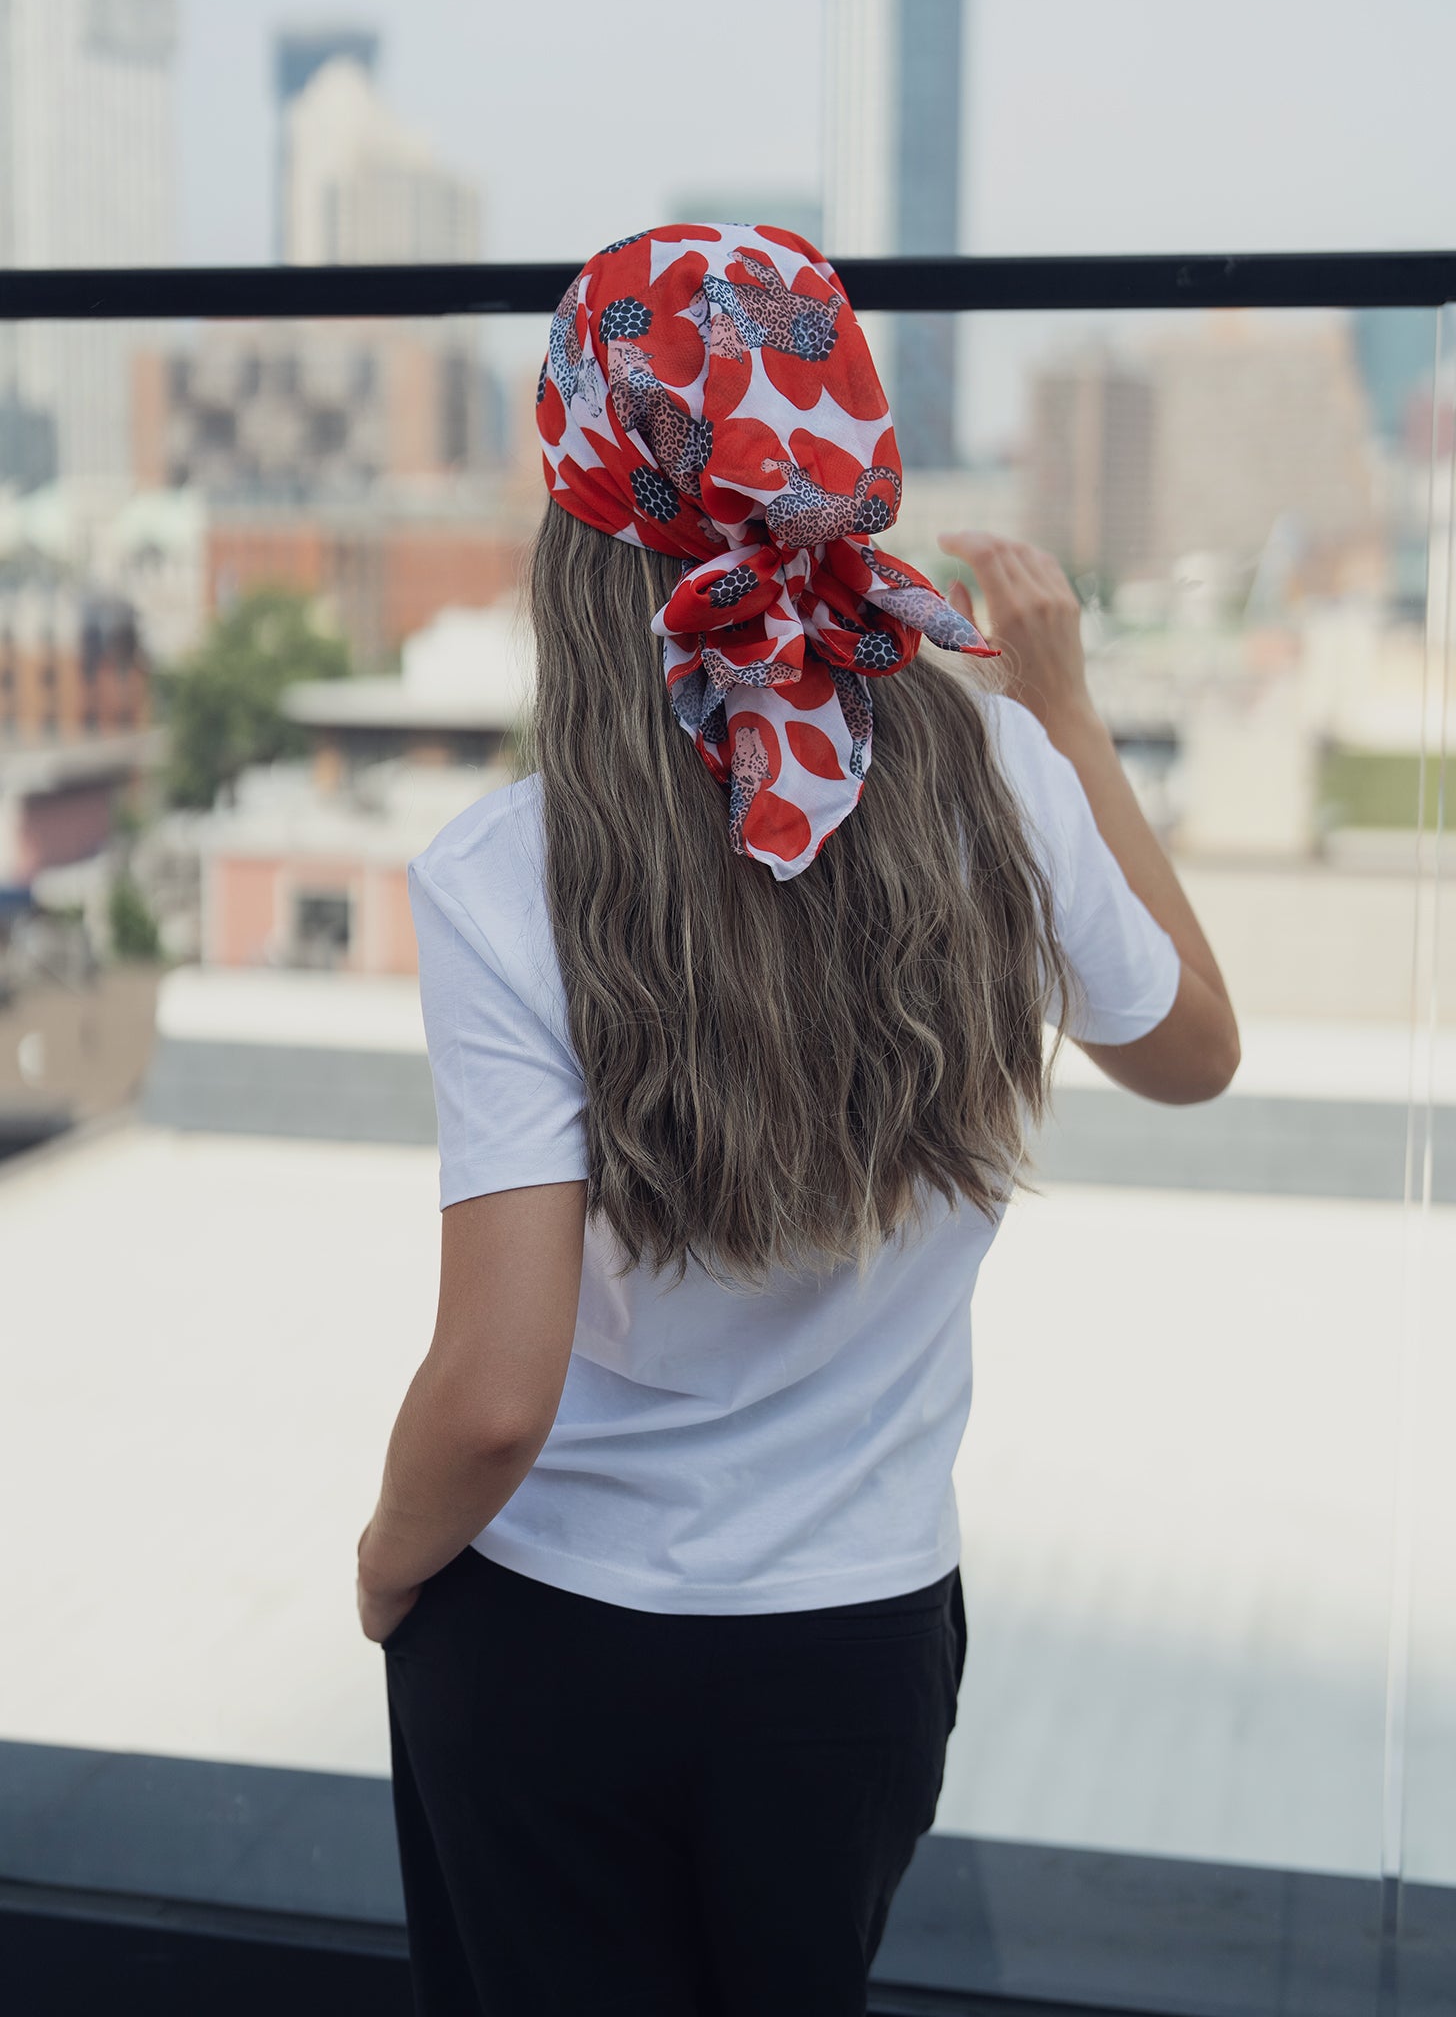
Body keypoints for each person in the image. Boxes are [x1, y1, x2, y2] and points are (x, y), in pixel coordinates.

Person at [355, 222, 1241, 2016]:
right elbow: (1196, 1048)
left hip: (547, 1646)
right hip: (856, 1645)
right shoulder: (996, 780)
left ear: (581, 507)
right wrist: (1063, 716)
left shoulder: (505, 873)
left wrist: (387, 1562)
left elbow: (497, 1393)